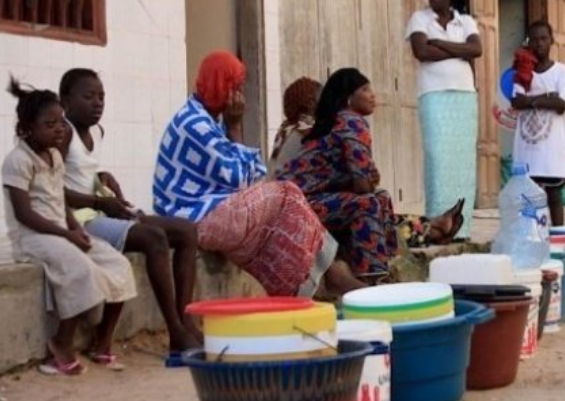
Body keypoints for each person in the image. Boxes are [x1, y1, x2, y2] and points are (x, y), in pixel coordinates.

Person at [153, 51, 364, 298]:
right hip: (194, 220)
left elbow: (251, 175)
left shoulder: (210, 118)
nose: (240, 97)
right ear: (222, 85)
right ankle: (331, 276)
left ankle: (316, 283)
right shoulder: (195, 123)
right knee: (286, 193)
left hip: (212, 209)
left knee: (277, 220)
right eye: (237, 88)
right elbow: (245, 180)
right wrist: (235, 127)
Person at [57, 68, 201, 352]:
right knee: (154, 239)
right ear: (66, 101)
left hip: (101, 211)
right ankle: (175, 332)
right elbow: (54, 189)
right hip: (82, 221)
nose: (98, 103)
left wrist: (102, 178)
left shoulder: (96, 132)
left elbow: (80, 172)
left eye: (102, 97)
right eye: (89, 96)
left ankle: (187, 322)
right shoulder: (63, 134)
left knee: (187, 231)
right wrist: (98, 202)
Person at [2, 77, 137, 375]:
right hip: (32, 237)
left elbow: (58, 200)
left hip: (60, 232)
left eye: (61, 122)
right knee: (81, 268)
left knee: (118, 264)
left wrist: (76, 228)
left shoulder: (53, 156)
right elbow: (24, 214)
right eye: (50, 125)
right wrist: (66, 235)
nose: (60, 129)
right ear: (26, 130)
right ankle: (61, 344)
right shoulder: (17, 162)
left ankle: (102, 343)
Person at [278, 68, 464, 279]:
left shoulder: (326, 123)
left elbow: (361, 178)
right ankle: (371, 279)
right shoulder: (350, 121)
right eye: (365, 89)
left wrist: (366, 179)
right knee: (368, 203)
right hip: (297, 206)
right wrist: (366, 179)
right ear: (348, 98)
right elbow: (363, 185)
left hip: (300, 201)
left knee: (380, 198)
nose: (373, 95)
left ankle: (391, 265)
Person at [406, 0, 482, 240]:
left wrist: (438, 43)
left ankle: (462, 228)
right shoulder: (419, 18)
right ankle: (436, 227)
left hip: (465, 96)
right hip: (433, 94)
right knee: (438, 159)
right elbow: (421, 52)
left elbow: (476, 50)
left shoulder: (466, 21)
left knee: (463, 162)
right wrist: (459, 48)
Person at [511, 21, 565, 226]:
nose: (539, 44)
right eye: (534, 39)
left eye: (544, 38)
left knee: (554, 196)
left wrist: (532, 100)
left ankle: (557, 241)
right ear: (528, 42)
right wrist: (546, 97)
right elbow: (517, 102)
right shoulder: (523, 72)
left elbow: (562, 103)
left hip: (552, 149)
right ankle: (531, 239)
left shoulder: (561, 72)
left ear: (552, 41)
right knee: (529, 199)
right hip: (528, 149)